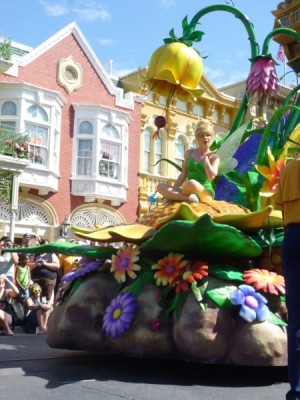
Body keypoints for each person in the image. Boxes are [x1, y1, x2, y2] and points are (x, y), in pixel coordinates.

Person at [275, 156, 300, 400]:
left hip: (292, 237)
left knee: (296, 318)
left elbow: (279, 204)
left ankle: (297, 391)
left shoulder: (289, 168)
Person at [157, 118, 220, 203]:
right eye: (202, 135)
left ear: (211, 137)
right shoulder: (190, 153)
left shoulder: (214, 158)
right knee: (160, 186)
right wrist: (173, 189)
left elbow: (211, 176)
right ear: (198, 138)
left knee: (192, 183)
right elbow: (183, 174)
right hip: (187, 191)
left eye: (208, 135)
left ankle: (177, 197)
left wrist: (206, 159)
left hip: (204, 193)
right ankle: (188, 198)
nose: (205, 138)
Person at [31, 240, 60, 304]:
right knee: (36, 299)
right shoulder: (35, 254)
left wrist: (45, 263)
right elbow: (29, 266)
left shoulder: (51, 254)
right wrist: (35, 264)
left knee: (47, 300)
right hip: (36, 279)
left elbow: (57, 266)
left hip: (48, 279)